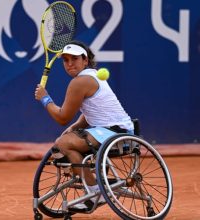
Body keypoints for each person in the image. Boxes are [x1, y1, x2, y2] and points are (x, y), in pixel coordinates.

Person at [34, 40, 134, 210]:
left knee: (63, 144)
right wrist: (74, 127)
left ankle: (96, 190)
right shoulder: (93, 75)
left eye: (74, 58)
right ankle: (95, 183)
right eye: (65, 60)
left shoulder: (80, 82)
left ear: (85, 60)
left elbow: (62, 117)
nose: (69, 63)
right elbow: (93, 112)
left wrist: (45, 99)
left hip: (114, 133)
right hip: (122, 130)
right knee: (62, 143)